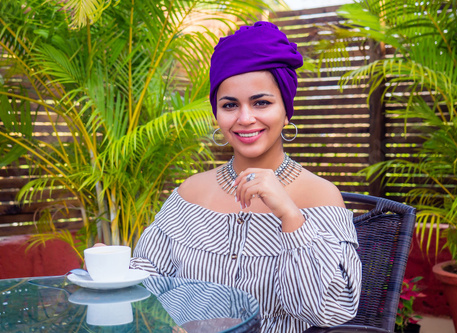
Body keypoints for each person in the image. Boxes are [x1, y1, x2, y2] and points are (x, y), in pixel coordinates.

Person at [129, 21, 362, 332]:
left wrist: (290, 216)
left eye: (261, 102)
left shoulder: (320, 195)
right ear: (217, 114)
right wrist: (112, 271)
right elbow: (148, 276)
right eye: (230, 105)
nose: (245, 118)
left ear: (286, 108)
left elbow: (332, 311)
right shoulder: (189, 193)